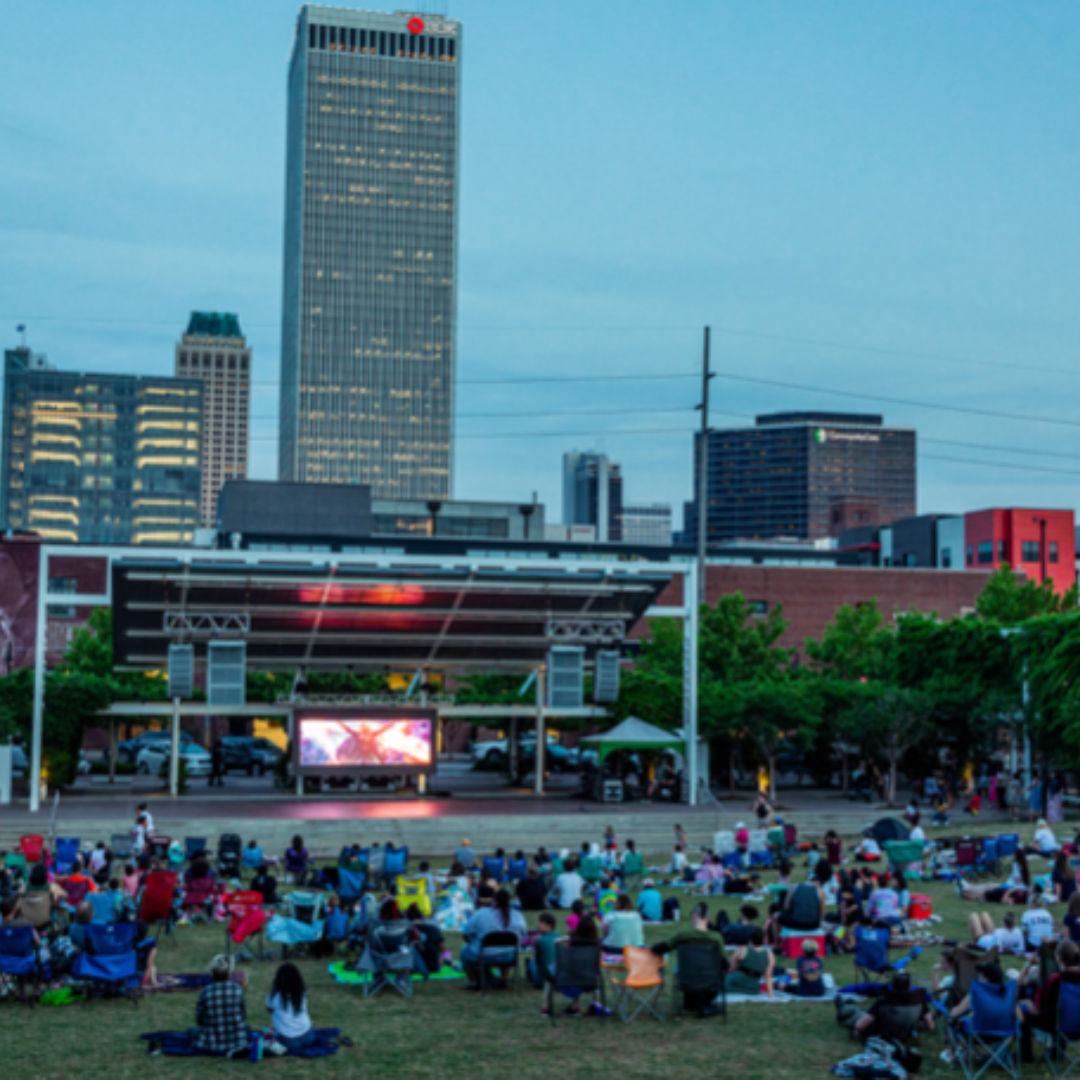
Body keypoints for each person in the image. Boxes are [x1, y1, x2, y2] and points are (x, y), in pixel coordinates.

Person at [652, 902, 727, 1016]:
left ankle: (695, 1004)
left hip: (686, 981)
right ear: (708, 919)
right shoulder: (716, 938)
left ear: (693, 915)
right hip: (711, 982)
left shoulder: (683, 935)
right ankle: (704, 1005)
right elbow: (725, 963)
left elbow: (661, 948)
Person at [1018, 941, 1080, 1063]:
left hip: (1055, 1023)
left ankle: (1026, 1055)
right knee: (1063, 1012)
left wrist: (1028, 964)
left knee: (1023, 1009)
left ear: (1059, 958)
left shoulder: (1055, 979)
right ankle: (1057, 1053)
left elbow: (1038, 1006)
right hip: (1077, 1025)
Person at [460, 887, 527, 987]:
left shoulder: (482, 914)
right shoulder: (518, 916)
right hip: (509, 956)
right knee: (506, 948)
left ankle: (474, 982)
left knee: (464, 952)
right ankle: (503, 979)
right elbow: (523, 935)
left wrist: (472, 940)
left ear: (494, 900)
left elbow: (466, 931)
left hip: (484, 956)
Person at [191, 954, 250, 1058]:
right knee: (247, 1029)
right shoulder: (237, 989)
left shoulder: (205, 991)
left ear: (212, 972)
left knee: (192, 1031)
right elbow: (243, 1015)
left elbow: (199, 1020)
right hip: (236, 1041)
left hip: (210, 1043)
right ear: (229, 974)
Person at [854, 971, 932, 1039]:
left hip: (881, 1034)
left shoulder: (885, 999)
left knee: (854, 1013)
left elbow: (861, 1025)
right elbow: (930, 1025)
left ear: (892, 985)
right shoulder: (918, 1000)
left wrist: (857, 1032)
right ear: (909, 986)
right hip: (905, 1034)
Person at [266, 961, 313, 1051]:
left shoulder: (275, 997)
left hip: (288, 1040)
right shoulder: (302, 993)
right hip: (308, 1036)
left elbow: (269, 1009)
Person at [959, 849, 1030, 904]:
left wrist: (1011, 890)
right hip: (1009, 886)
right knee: (987, 887)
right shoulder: (1024, 866)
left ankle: (967, 888)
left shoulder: (1016, 865)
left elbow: (1017, 882)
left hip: (1008, 886)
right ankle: (968, 887)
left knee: (986, 888)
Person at [726, 927, 774, 999]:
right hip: (753, 989)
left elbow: (730, 969)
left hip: (734, 984)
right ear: (763, 939)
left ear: (750, 938)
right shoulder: (769, 955)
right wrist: (771, 996)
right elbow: (768, 976)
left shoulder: (743, 950)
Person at [779, 861, 829, 930]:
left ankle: (776, 940)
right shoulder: (821, 892)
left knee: (776, 916)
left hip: (795, 922)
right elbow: (822, 915)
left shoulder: (794, 887)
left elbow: (786, 907)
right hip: (813, 924)